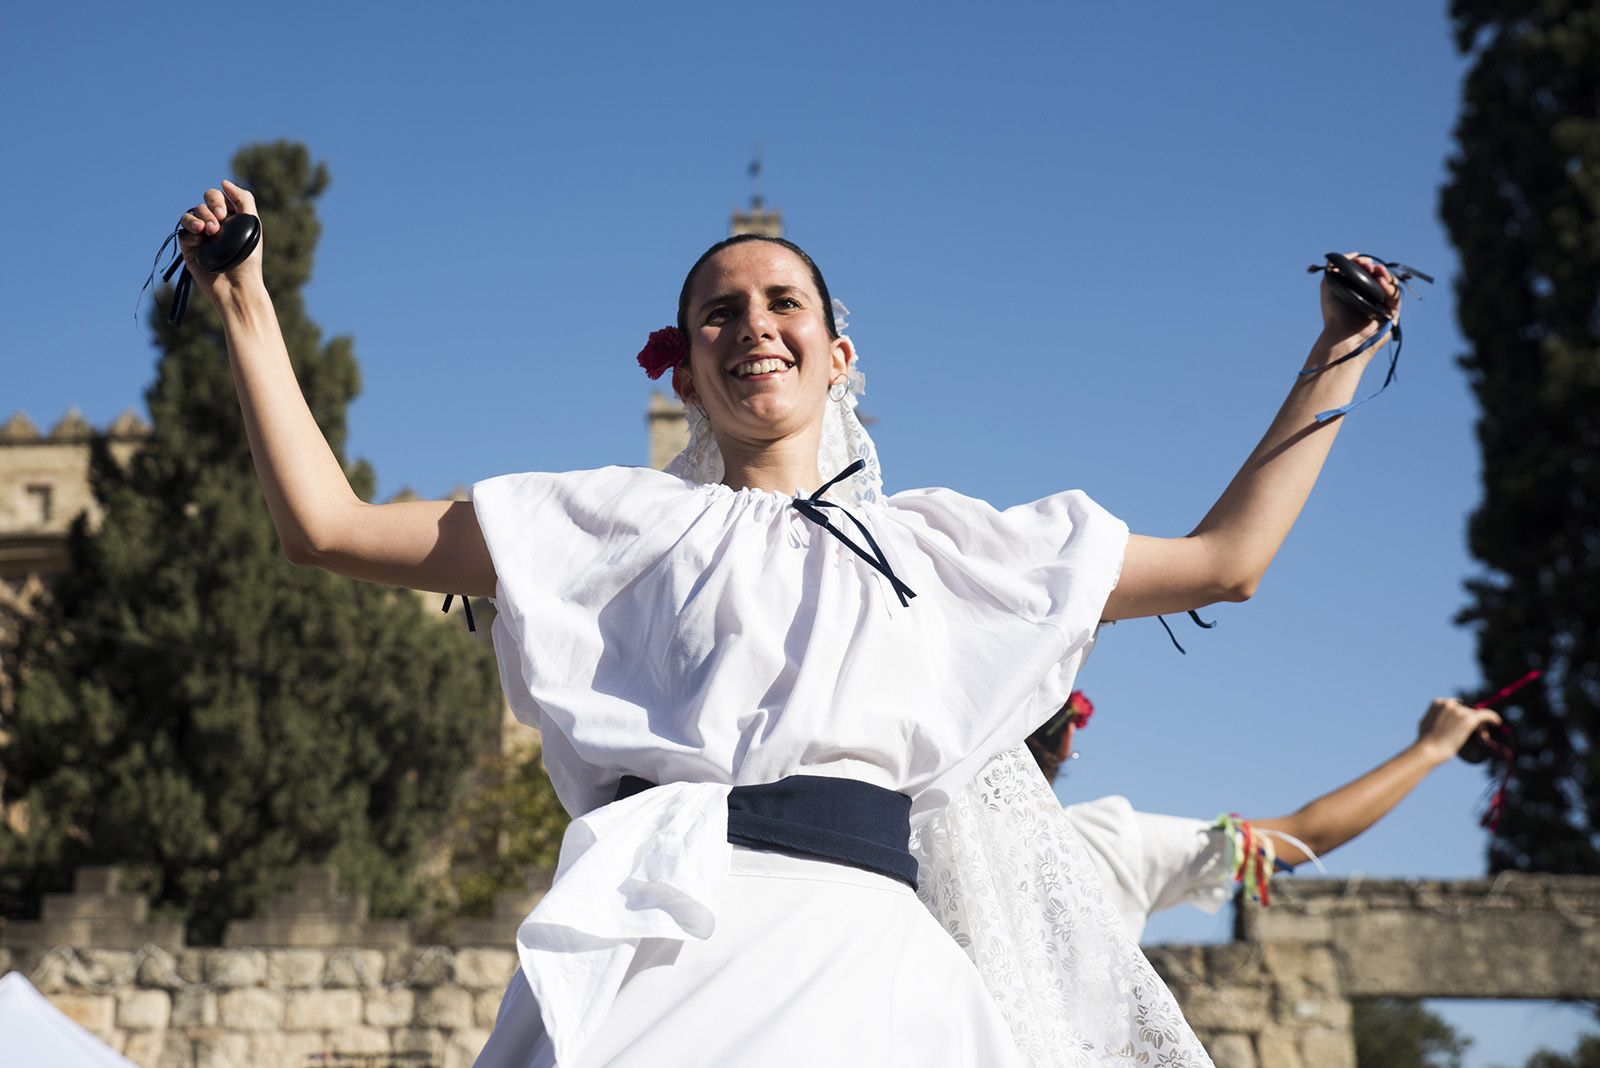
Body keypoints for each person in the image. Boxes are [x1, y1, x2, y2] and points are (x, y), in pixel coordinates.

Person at [174, 179, 1401, 1067]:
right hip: (653, 941)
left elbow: (1226, 562)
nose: (750, 322)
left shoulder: (943, 548)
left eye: (781, 301)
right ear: (687, 370)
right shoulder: (612, 524)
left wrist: (1338, 352)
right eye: (717, 312)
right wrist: (246, 304)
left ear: (837, 353)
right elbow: (324, 527)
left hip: (864, 967)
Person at [1024, 694, 1504, 940]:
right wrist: (1432, 749)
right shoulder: (1103, 840)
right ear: (1066, 741)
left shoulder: (946, 836)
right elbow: (1299, 837)